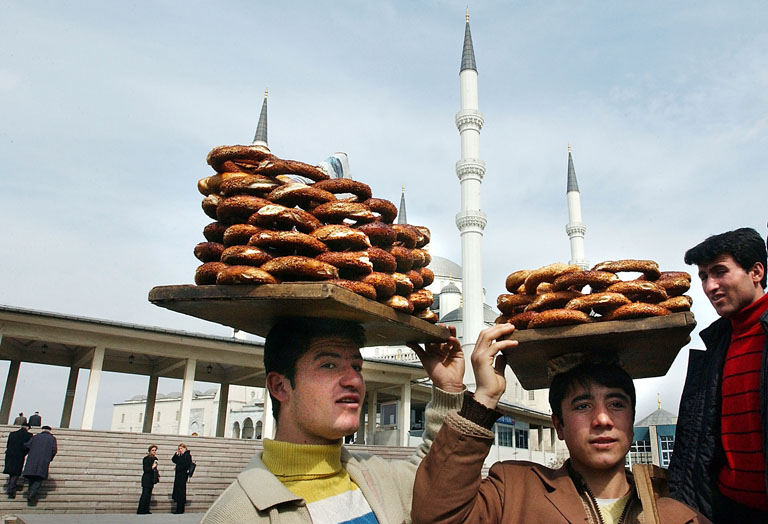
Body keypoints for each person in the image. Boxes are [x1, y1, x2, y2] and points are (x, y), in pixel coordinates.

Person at [412, 323, 710, 524]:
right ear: (559, 424)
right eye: (583, 406)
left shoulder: (677, 516)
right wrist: (484, 398)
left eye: (616, 404)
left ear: (632, 421)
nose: (603, 419)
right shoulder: (513, 493)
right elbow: (435, 515)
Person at [202, 317, 465, 523]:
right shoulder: (236, 515)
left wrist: (449, 388)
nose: (354, 380)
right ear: (280, 386)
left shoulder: (377, 478)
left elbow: (437, 472)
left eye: (357, 367)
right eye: (328, 365)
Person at [668, 227, 768, 522]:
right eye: (703, 276)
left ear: (756, 272)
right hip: (729, 510)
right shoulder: (714, 348)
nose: (710, 286)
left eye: (720, 272)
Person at [22, 425, 57, 506]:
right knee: (38, 479)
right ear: (49, 431)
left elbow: (27, 445)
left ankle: (31, 493)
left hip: (32, 461)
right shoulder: (52, 439)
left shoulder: (36, 437)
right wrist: (49, 458)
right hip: (43, 461)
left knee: (31, 478)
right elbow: (54, 450)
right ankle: (32, 494)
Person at [4, 423, 32, 498]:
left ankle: (11, 485)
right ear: (27, 428)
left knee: (11, 472)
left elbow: (8, 444)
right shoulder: (29, 435)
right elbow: (28, 447)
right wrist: (24, 453)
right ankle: (11, 490)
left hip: (9, 455)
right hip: (19, 455)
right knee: (16, 473)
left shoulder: (12, 434)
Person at [137, 444, 158, 514]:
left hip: (152, 479)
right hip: (146, 478)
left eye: (155, 450)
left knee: (149, 495)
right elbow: (145, 469)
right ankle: (141, 510)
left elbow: (155, 469)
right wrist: (152, 467)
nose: (154, 451)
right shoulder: (146, 459)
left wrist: (158, 475)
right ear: (149, 451)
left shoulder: (155, 459)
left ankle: (146, 509)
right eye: (153, 450)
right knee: (145, 494)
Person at [171, 443, 192, 514]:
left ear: (184, 448)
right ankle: (179, 508)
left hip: (182, 476)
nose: (180, 450)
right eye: (179, 449)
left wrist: (178, 468)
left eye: (181, 449)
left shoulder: (187, 455)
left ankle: (180, 509)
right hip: (179, 476)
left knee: (181, 492)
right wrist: (176, 454)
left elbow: (186, 465)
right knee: (178, 491)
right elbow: (174, 460)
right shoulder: (181, 455)